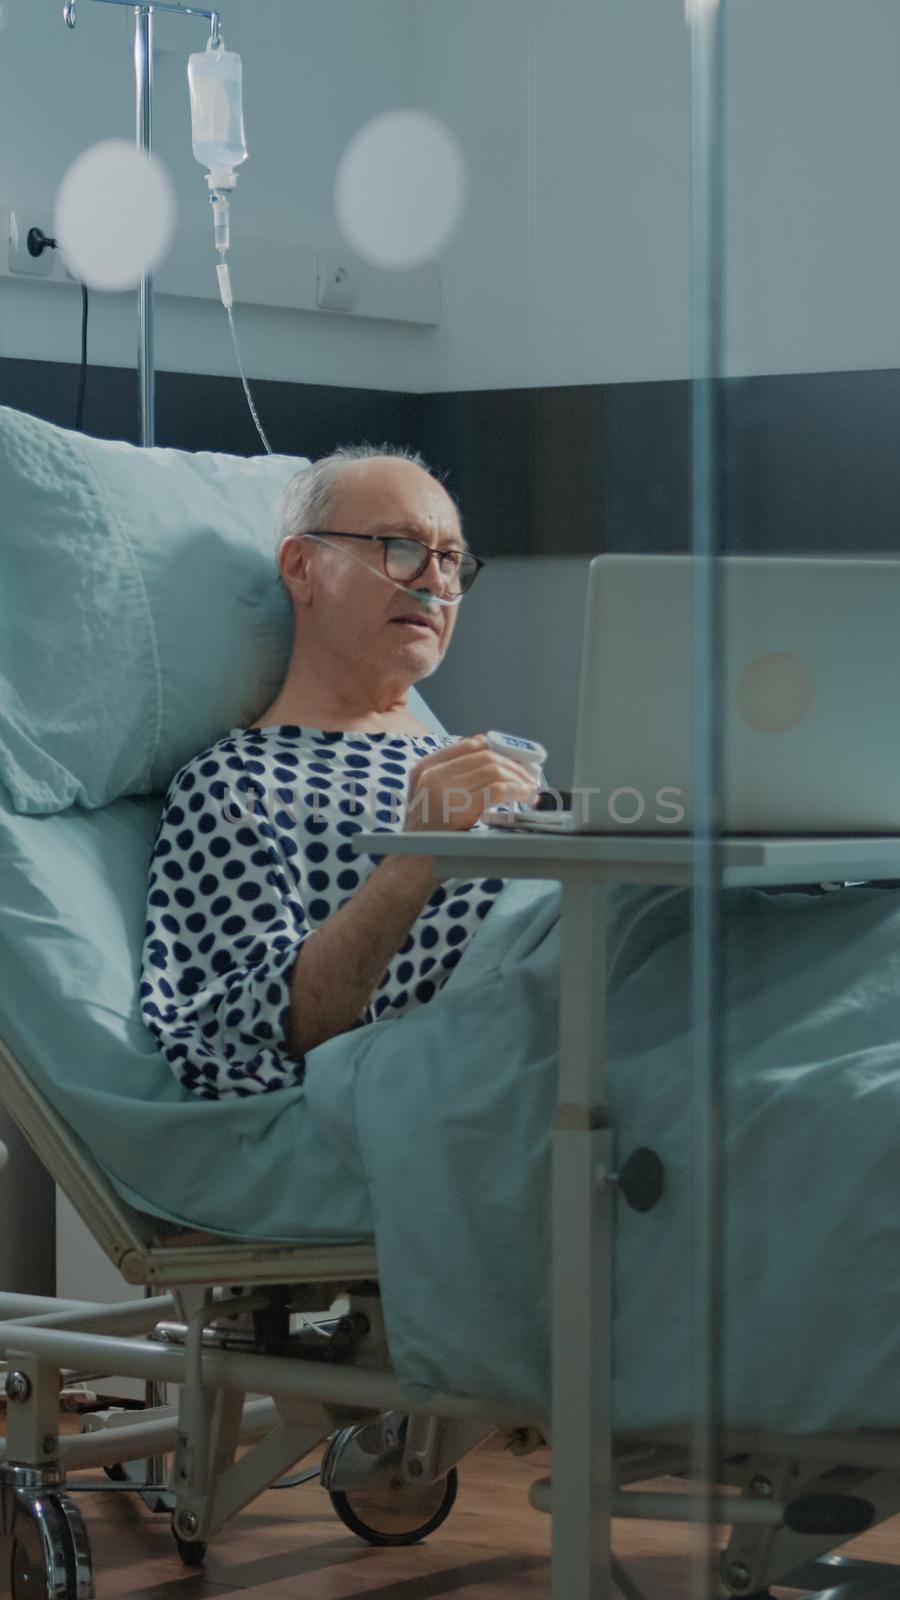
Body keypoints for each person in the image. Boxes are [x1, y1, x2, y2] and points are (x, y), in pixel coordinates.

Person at [139, 444, 538, 1098]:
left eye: (449, 559)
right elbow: (238, 1037)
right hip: (511, 1041)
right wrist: (416, 857)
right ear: (303, 566)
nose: (435, 582)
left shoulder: (473, 764)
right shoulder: (238, 785)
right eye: (401, 547)